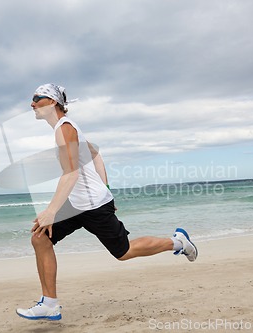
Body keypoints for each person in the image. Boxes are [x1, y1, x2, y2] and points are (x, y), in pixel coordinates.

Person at [16, 83, 198, 321]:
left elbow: (70, 173)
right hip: (77, 202)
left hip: (93, 206)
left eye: (36, 98)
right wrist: (107, 187)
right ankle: (50, 304)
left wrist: (52, 210)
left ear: (52, 102)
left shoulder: (65, 128)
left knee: (123, 252)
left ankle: (177, 242)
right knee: (40, 238)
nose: (32, 104)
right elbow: (95, 155)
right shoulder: (67, 130)